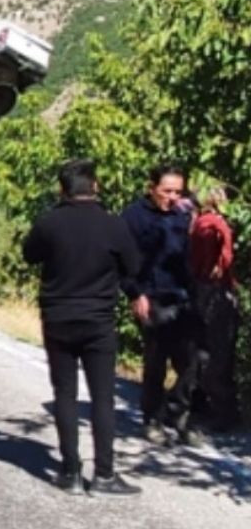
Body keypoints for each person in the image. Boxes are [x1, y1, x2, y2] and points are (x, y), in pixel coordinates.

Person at [23, 159, 142, 496]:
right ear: (96, 186)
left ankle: (70, 471)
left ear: (62, 189)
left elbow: (29, 255)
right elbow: (133, 266)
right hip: (98, 321)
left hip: (58, 317)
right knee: (103, 397)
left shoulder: (49, 222)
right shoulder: (113, 225)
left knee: (65, 394)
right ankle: (104, 475)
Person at [122, 163, 201, 446]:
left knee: (192, 361)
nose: (172, 197)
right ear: (152, 188)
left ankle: (178, 414)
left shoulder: (184, 213)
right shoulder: (134, 217)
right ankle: (152, 419)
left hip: (182, 295)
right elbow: (123, 260)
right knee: (156, 362)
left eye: (178, 191)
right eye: (167, 191)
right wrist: (135, 294)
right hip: (151, 295)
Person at [189, 185, 241, 432]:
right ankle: (220, 408)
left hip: (210, 290)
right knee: (219, 352)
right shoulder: (220, 222)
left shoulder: (206, 224)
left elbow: (212, 259)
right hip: (223, 291)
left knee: (212, 353)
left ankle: (222, 412)